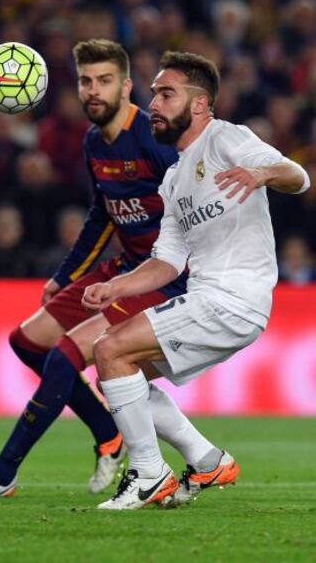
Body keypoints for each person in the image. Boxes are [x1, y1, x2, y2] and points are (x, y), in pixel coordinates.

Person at [0, 39, 208, 498]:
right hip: (123, 266)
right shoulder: (94, 142)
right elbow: (104, 213)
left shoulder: (155, 140)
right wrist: (67, 275)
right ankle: (107, 431)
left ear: (127, 86)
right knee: (27, 341)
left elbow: (200, 204)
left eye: (104, 81)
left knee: (65, 353)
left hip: (164, 274)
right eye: (85, 81)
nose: (93, 91)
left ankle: (0, 475)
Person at [82, 50, 310, 510]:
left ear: (200, 104)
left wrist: (259, 172)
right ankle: (206, 460)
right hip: (214, 299)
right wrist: (116, 287)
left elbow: (299, 176)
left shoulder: (227, 138)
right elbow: (167, 262)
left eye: (167, 94)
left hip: (231, 297)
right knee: (119, 374)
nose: (155, 105)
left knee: (109, 348)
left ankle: (148, 474)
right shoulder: (174, 178)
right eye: (154, 95)